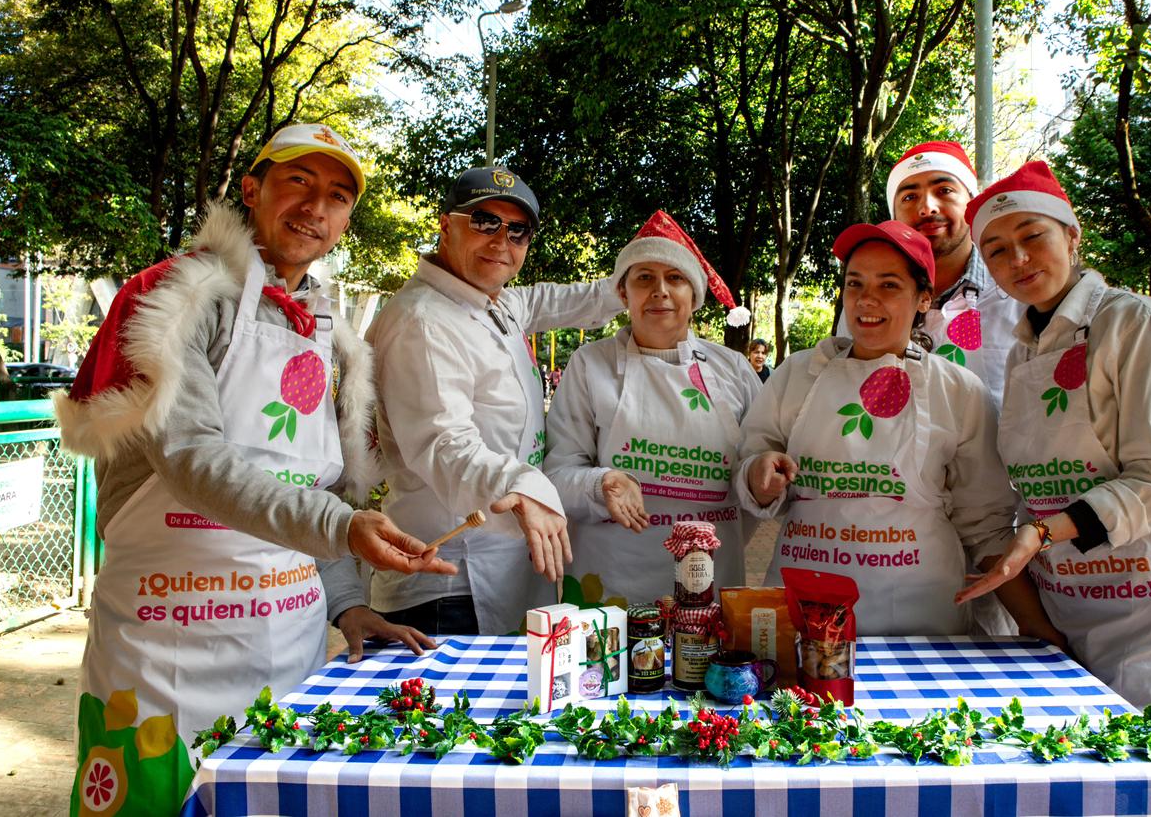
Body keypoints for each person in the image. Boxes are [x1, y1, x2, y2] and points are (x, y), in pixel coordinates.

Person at [54, 124, 456, 814]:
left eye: (336, 195)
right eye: (298, 181)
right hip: (168, 645)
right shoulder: (178, 296)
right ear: (252, 189)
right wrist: (341, 525)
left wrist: (347, 602)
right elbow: (190, 457)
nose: (315, 207)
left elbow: (318, 483)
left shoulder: (329, 330)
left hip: (291, 651)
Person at [956, 162, 1151, 714]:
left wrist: (1044, 533)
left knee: (1135, 772)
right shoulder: (1028, 347)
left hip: (1142, 604)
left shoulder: (1137, 324)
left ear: (1073, 236)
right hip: (1062, 597)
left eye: (1033, 237)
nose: (1018, 260)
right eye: (997, 250)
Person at [736, 220, 1060, 640]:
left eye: (889, 285)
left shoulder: (958, 391)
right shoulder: (796, 374)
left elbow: (985, 524)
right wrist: (758, 475)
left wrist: (1033, 623)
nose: (866, 299)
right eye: (855, 284)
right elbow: (751, 462)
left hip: (920, 617)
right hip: (804, 604)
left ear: (924, 298)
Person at [367, 166, 624, 635]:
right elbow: (444, 444)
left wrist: (637, 281)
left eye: (518, 230)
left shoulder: (492, 301)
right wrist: (525, 486)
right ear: (446, 224)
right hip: (450, 583)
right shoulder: (423, 322)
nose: (501, 241)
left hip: (496, 568)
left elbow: (554, 301)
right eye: (484, 221)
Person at [545, 211, 761, 605]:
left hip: (710, 580)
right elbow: (557, 473)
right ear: (624, 293)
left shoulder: (734, 370)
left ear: (694, 296)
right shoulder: (590, 364)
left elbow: (755, 479)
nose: (660, 290)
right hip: (609, 583)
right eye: (644, 277)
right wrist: (602, 482)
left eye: (675, 278)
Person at [882, 141, 1025, 408]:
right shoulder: (870, 300)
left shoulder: (1019, 291)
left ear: (971, 204)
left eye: (944, 190)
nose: (927, 208)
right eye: (909, 197)